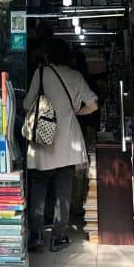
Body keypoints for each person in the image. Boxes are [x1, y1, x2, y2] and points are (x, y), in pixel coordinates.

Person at [23, 38, 98, 252]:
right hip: (68, 141)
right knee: (63, 190)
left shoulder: (42, 72)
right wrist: (75, 112)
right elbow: (93, 104)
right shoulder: (76, 76)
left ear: (48, 55)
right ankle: (58, 237)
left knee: (39, 187)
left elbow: (28, 103)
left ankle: (37, 235)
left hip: (44, 141)